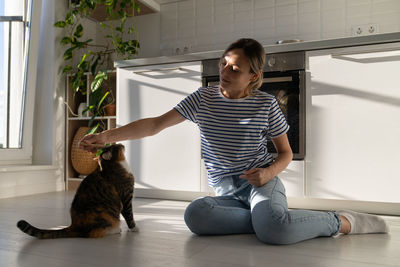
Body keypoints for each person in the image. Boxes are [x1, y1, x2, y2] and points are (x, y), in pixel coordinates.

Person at [79, 38, 389, 245]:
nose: (225, 71)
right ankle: (266, 219)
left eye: (235, 68)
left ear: (253, 76)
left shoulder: (265, 105)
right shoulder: (203, 98)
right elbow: (156, 125)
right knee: (194, 216)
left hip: (260, 183)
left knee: (275, 232)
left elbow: (284, 153)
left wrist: (267, 174)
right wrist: (106, 137)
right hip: (223, 191)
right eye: (224, 63)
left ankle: (342, 221)